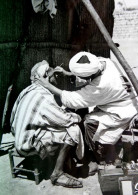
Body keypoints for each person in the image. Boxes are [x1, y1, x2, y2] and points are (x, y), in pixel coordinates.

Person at [35, 52, 138, 168]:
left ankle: (104, 157)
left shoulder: (102, 85)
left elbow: (74, 99)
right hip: (127, 100)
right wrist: (69, 74)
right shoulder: (105, 61)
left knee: (89, 123)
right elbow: (90, 72)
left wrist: (48, 86)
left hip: (123, 111)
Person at [10, 60, 84, 188]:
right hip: (27, 145)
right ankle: (57, 173)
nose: (55, 78)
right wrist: (77, 117)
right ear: (46, 78)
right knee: (72, 129)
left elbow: (12, 121)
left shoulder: (26, 91)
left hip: (19, 138)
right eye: (52, 75)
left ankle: (59, 161)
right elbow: (64, 119)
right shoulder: (43, 96)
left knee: (56, 126)